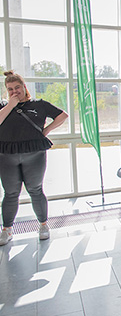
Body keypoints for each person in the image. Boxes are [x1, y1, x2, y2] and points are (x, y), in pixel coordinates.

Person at [0, 71, 68, 245]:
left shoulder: (39, 105)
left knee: (36, 190)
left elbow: (62, 116)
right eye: (10, 89)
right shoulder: (3, 106)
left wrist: (46, 130)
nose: (15, 91)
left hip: (34, 154)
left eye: (17, 87)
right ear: (7, 91)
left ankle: (44, 225)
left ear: (24, 87)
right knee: (11, 193)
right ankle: (7, 230)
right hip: (7, 156)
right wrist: (10, 105)